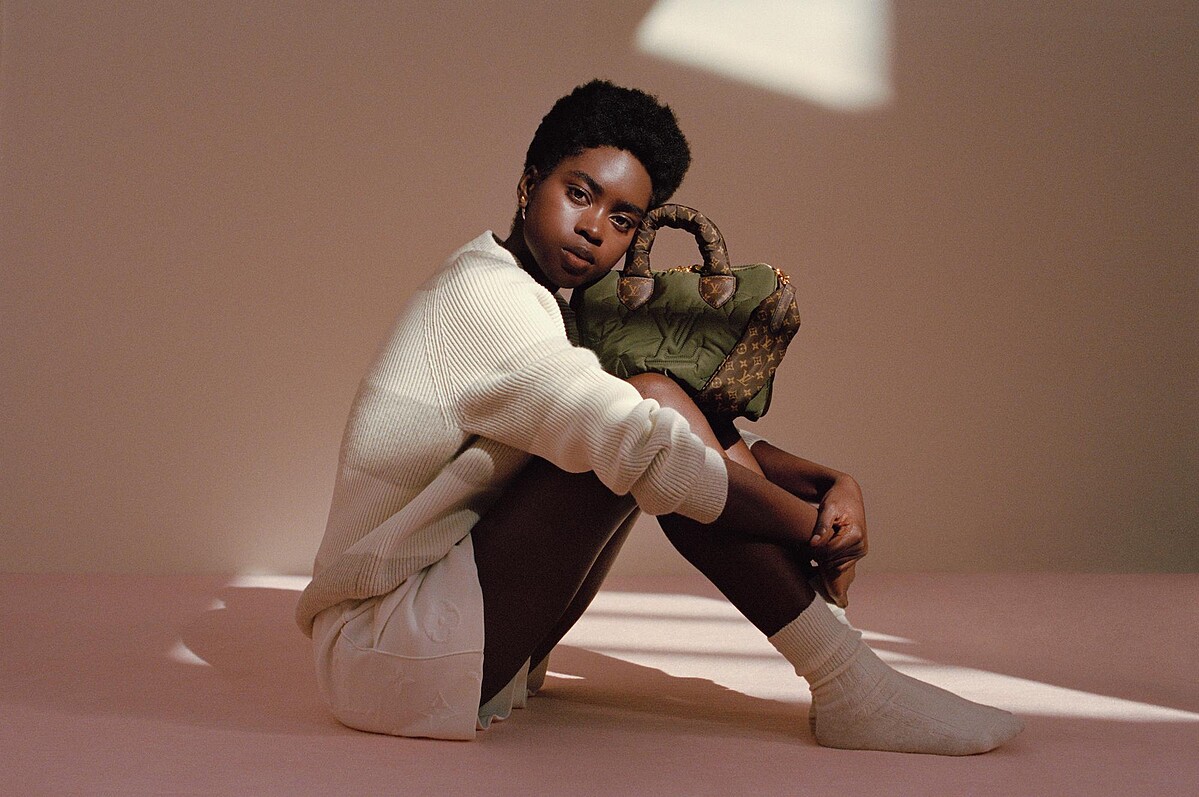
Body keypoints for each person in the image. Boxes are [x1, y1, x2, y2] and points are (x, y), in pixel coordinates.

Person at [296, 79, 1024, 755]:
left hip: (432, 631)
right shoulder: (483, 296)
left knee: (649, 406)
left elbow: (667, 424)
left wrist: (825, 481)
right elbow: (645, 440)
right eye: (578, 193)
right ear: (527, 184)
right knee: (645, 425)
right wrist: (809, 530)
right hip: (382, 648)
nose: (594, 230)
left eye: (622, 219)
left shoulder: (543, 304)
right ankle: (846, 675)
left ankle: (848, 675)